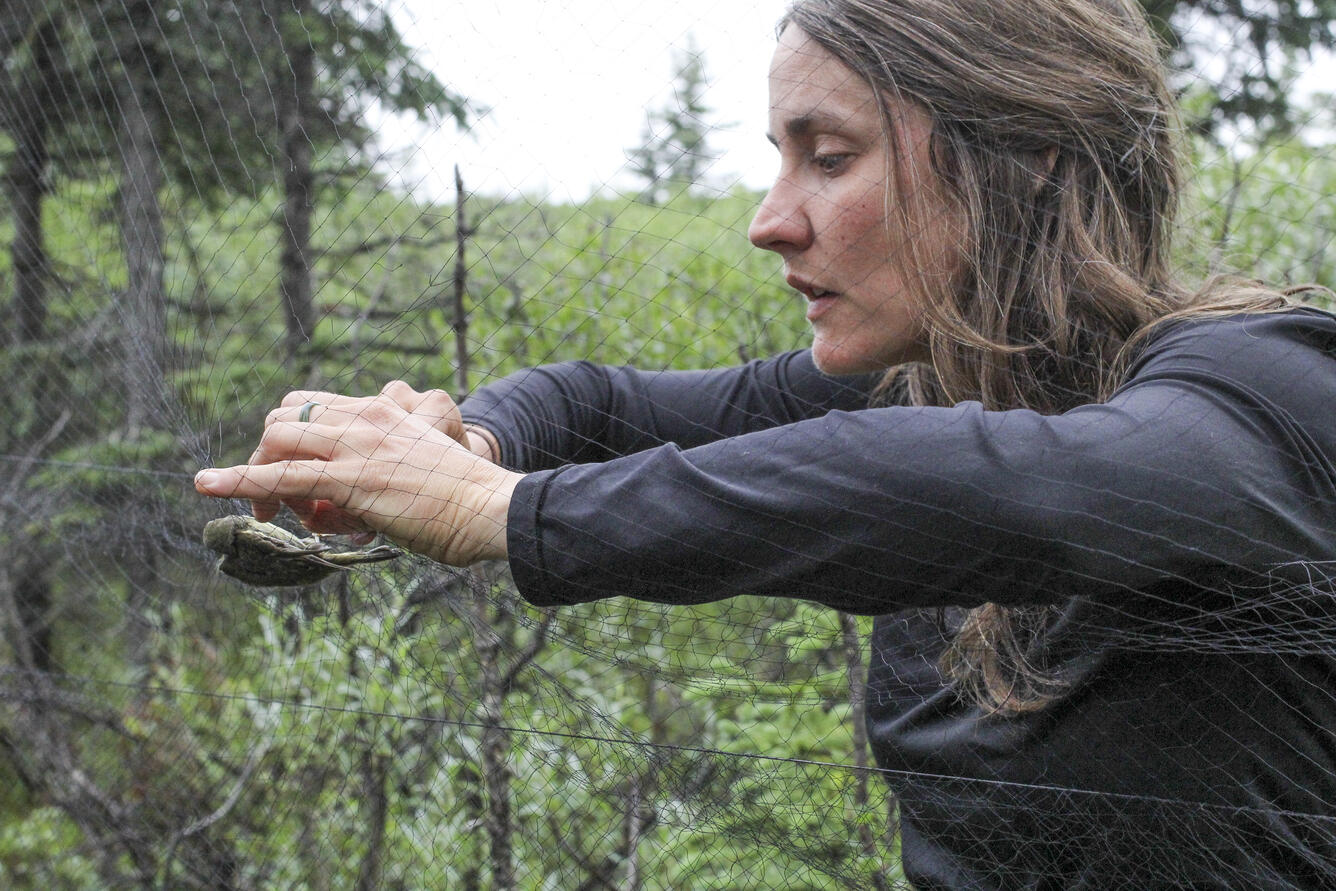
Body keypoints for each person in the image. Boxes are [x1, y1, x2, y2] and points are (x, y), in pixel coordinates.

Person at [196, 0, 1336, 886]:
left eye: (829, 158)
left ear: (1023, 150)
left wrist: (502, 518)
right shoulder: (915, 392)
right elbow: (593, 401)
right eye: (778, 157)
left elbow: (1016, 496)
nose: (768, 217)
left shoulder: (1266, 389)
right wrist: (476, 442)